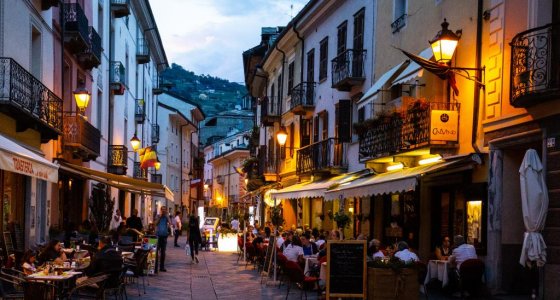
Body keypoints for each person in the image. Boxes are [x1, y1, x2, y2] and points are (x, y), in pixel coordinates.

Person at [155, 206, 171, 272]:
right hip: (158, 236)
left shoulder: (167, 216)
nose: (164, 211)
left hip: (164, 236)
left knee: (163, 253)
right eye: (162, 210)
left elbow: (170, 223)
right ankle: (155, 268)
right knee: (156, 252)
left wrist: (167, 217)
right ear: (161, 210)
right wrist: (160, 217)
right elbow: (155, 223)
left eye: (165, 210)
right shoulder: (158, 216)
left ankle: (162, 267)